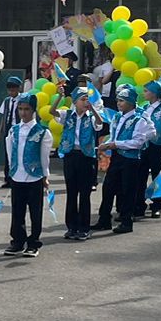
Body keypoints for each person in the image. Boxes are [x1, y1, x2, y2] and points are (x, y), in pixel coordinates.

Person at [3, 93, 52, 256]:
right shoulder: (14, 130)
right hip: (17, 175)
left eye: (27, 109)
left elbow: (45, 156)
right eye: (20, 109)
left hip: (34, 176)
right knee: (17, 211)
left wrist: (45, 176)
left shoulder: (42, 132)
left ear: (33, 110)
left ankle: (33, 242)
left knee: (35, 211)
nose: (23, 113)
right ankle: (17, 240)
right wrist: (11, 169)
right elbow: (10, 151)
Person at [98, 85, 151, 235]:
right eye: (118, 100)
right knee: (108, 187)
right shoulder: (117, 117)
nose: (119, 103)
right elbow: (114, 135)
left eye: (122, 100)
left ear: (131, 102)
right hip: (117, 156)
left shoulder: (139, 119)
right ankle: (104, 219)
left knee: (128, 190)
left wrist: (116, 144)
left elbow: (138, 142)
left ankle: (126, 221)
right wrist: (107, 145)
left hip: (131, 158)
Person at [59, 88, 104, 240]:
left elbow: (100, 124)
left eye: (87, 99)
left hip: (86, 157)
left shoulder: (90, 117)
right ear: (75, 102)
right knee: (71, 192)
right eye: (82, 99)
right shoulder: (68, 115)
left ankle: (84, 227)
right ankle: (71, 226)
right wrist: (59, 97)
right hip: (71, 155)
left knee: (84, 194)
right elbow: (52, 112)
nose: (86, 102)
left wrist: (93, 110)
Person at [138, 81, 161, 218]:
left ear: (154, 93)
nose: (144, 93)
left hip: (158, 146)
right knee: (140, 175)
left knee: (157, 176)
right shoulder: (144, 107)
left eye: (146, 91)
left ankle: (157, 204)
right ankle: (139, 204)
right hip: (144, 146)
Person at [0, 74, 22, 188]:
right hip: (8, 129)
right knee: (8, 154)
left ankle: (17, 178)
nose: (11, 92)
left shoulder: (22, 99)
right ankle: (8, 179)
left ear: (18, 88)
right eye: (9, 90)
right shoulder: (6, 101)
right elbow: (4, 116)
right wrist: (0, 131)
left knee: (17, 153)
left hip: (18, 129)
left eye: (13, 89)